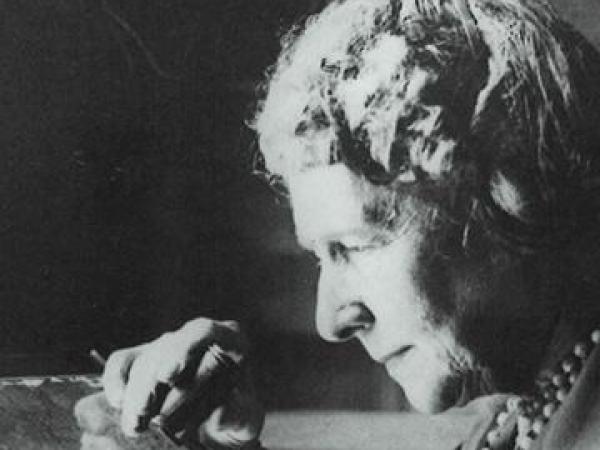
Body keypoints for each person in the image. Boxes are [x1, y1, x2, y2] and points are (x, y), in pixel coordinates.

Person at [76, 0, 600, 448]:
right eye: (319, 256)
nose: (330, 321)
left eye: (353, 245)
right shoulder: (509, 422)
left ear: (511, 195)